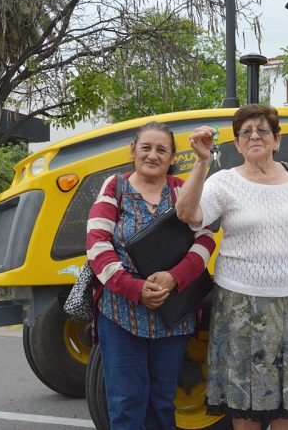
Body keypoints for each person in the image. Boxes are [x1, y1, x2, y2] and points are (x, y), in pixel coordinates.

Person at [176, 103, 288, 430]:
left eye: (263, 130)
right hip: (240, 305)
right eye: (246, 132)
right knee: (245, 404)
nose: (254, 136)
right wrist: (201, 162)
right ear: (237, 144)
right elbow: (188, 214)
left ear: (277, 140)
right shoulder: (223, 181)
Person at [86, 121, 216, 430]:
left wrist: (175, 277)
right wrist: (134, 287)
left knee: (162, 402)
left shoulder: (182, 189)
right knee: (126, 402)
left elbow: (205, 239)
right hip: (120, 313)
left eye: (162, 150)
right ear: (133, 151)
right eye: (146, 147)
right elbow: (97, 243)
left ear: (172, 158)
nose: (153, 155)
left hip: (172, 315)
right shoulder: (115, 187)